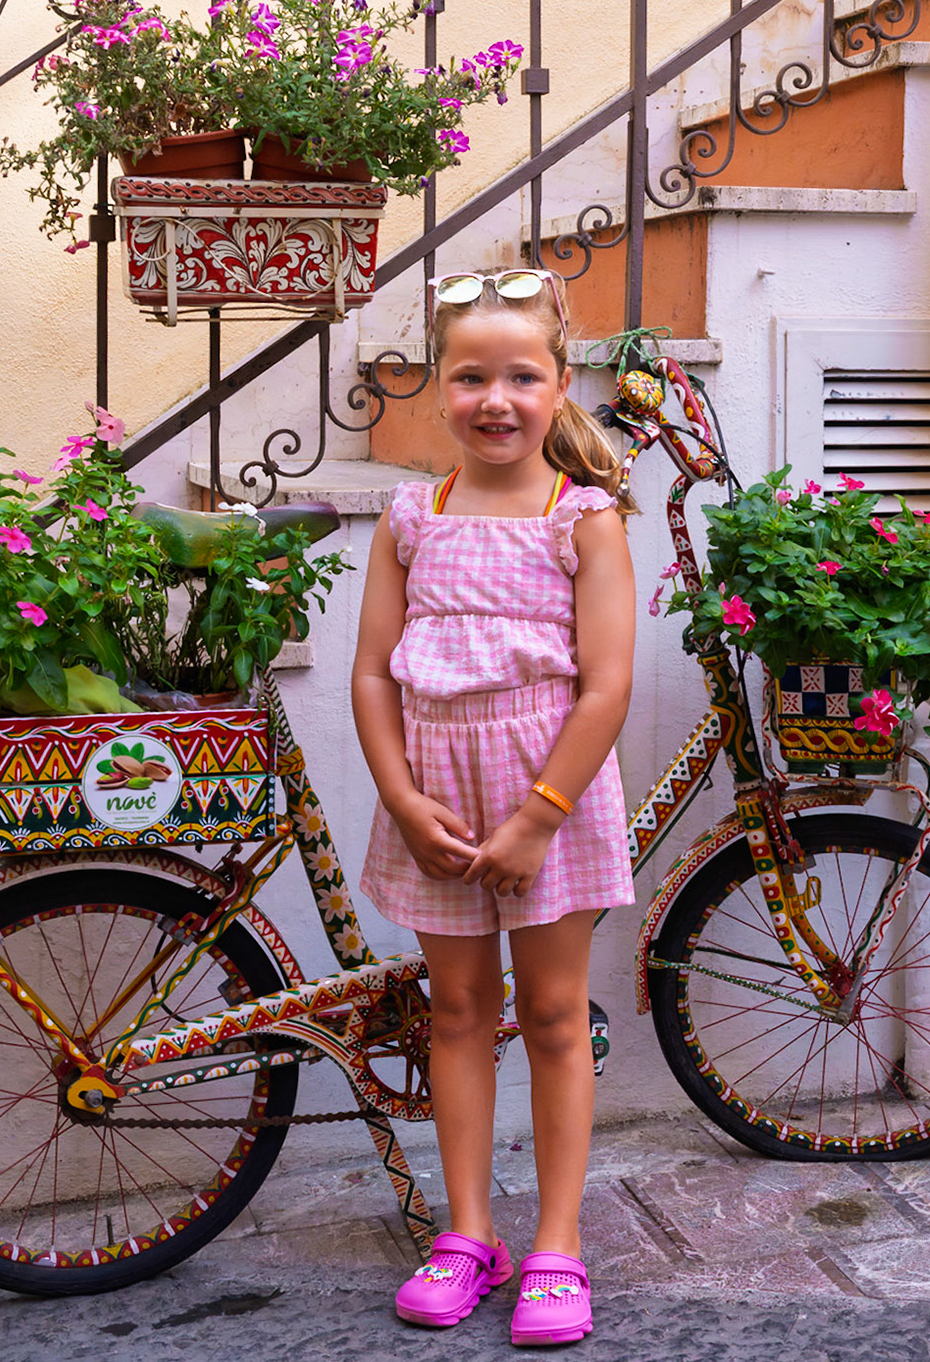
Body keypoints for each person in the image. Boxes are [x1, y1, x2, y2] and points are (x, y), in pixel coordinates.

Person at [351, 268, 637, 1346]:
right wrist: (402, 797)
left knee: (556, 1016)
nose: (497, 398)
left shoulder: (584, 520)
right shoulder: (411, 516)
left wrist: (536, 817)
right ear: (439, 389)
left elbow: (604, 684)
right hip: (436, 803)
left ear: (561, 386)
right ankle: (470, 1232)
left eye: (523, 375)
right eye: (471, 375)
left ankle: (556, 1243)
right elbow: (375, 672)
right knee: (458, 1014)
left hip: (545, 805)